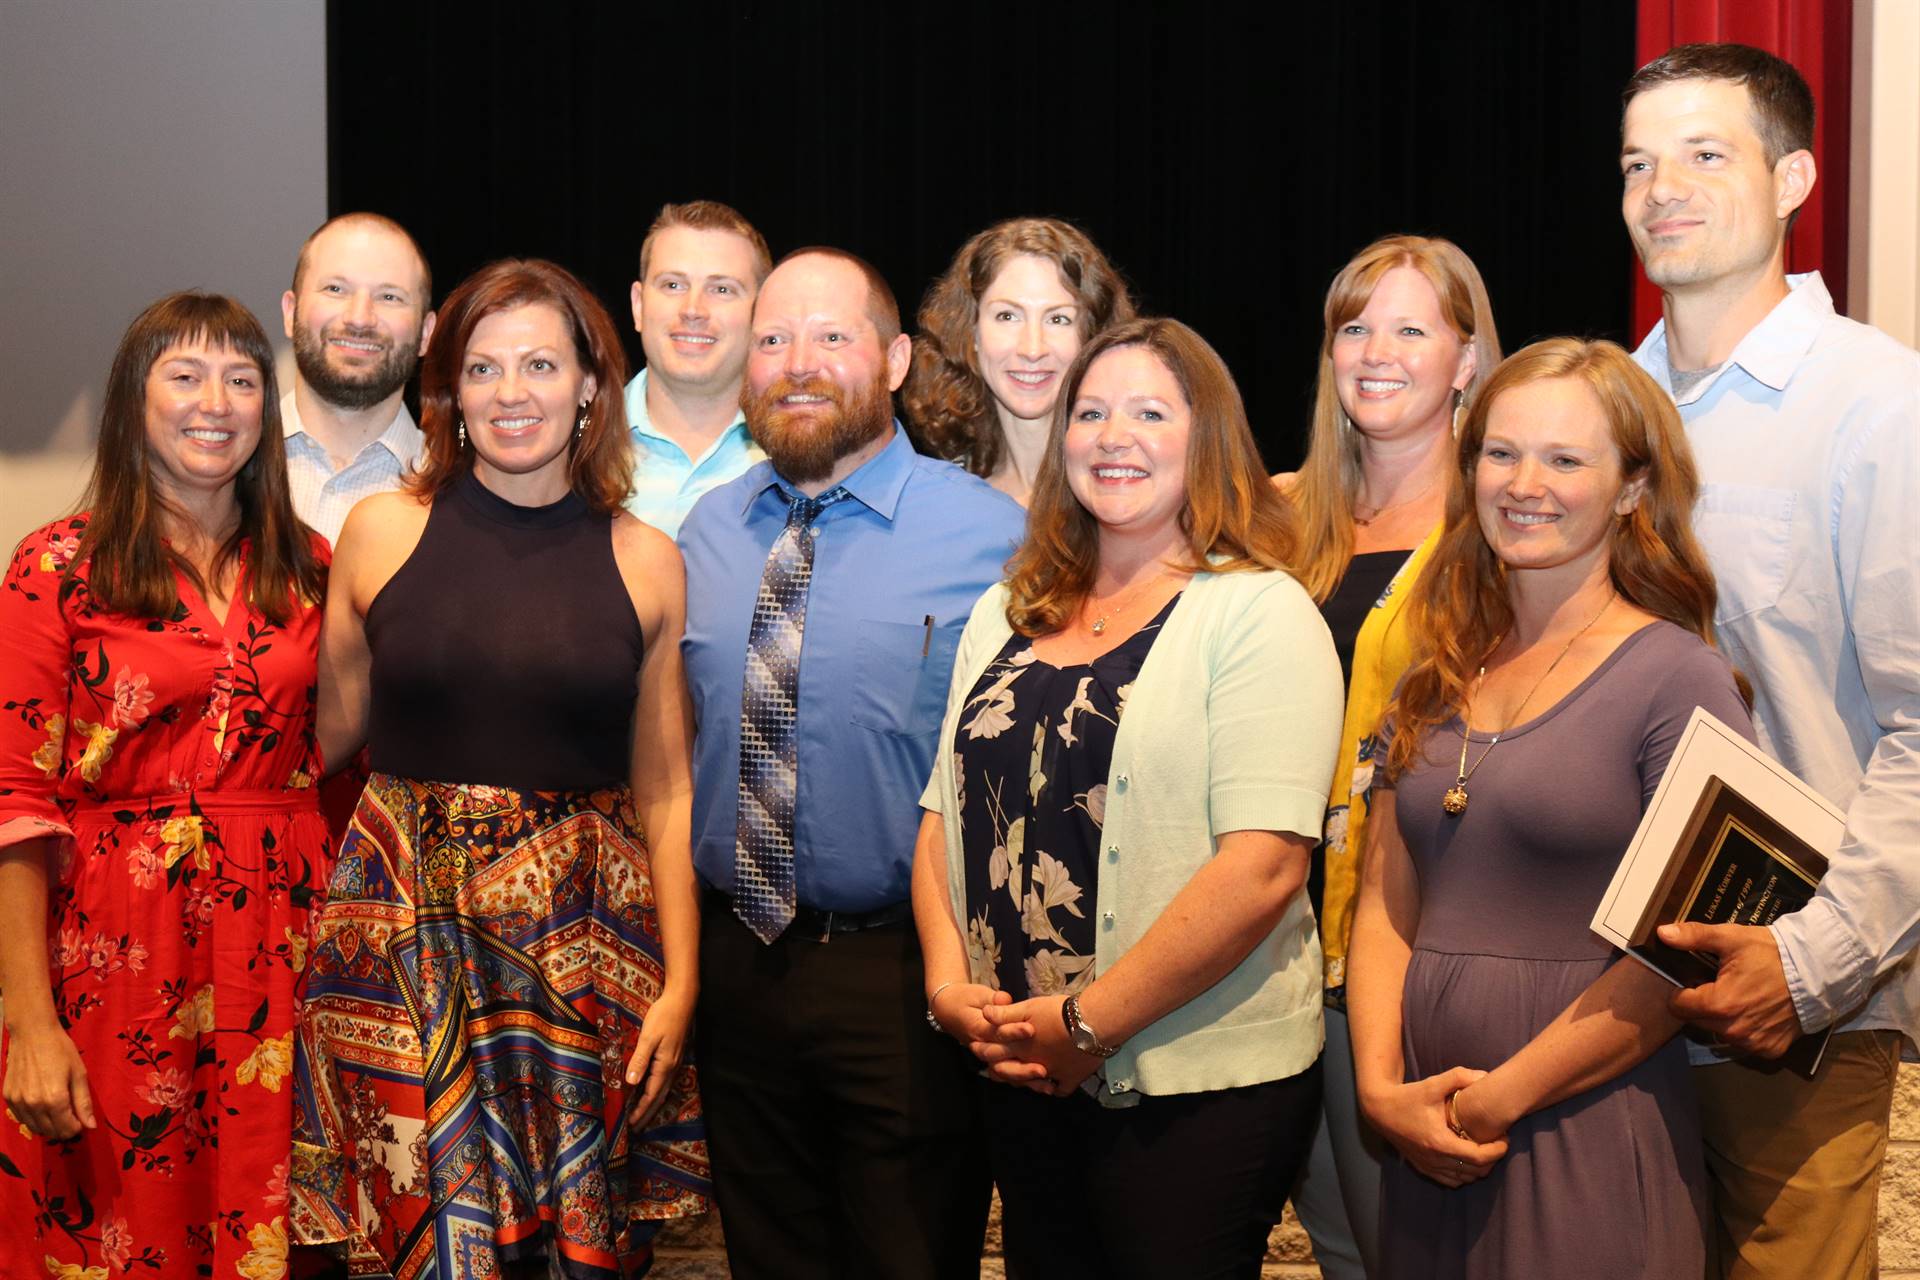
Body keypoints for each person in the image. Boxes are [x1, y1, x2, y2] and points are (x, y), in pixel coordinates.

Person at [287, 259, 709, 1277]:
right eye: (482, 367)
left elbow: (665, 787)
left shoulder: (647, 555)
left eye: (539, 364)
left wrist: (683, 980)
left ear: (591, 389)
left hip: (583, 962)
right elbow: (318, 740)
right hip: (401, 960)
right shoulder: (381, 531)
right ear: (449, 391)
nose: (510, 391)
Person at [915, 316, 1345, 1279]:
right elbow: (943, 816)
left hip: (1192, 1088)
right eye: (1093, 412)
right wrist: (951, 994)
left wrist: (1088, 1023)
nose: (1114, 436)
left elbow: (1265, 865)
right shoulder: (1007, 607)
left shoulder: (1259, 613)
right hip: (1022, 1069)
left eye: (1151, 412)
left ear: (1209, 441)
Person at [1347, 338, 1752, 1279]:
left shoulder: (1680, 681)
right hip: (1423, 1136)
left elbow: (1676, 954)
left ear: (1630, 490)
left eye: (1566, 459)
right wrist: (1379, 1088)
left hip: (1583, 1132)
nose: (1525, 483)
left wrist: (1494, 1103)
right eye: (1501, 452)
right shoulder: (1433, 673)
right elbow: (1384, 904)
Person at [1621, 42, 1920, 1279]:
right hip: (1599, 992)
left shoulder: (1880, 405)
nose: (1660, 189)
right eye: (1637, 162)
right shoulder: (1605, 404)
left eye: (1703, 153)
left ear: (1795, 176)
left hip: (1786, 999)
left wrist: (1811, 964)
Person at [678, 247, 1024, 1279]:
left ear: (896, 359)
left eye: (832, 336)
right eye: (774, 339)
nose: (798, 363)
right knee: (767, 1253)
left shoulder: (995, 537)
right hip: (740, 960)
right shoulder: (705, 531)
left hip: (908, 969)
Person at [0, 293, 330, 1278]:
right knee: (117, 1233)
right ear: (132, 402)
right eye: (183, 375)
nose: (214, 401)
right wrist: (30, 1020)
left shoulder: (311, 565)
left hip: (286, 951)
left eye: (241, 378)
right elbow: (15, 800)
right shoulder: (57, 564)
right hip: (115, 954)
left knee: (282, 1228)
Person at [1274, 233, 1501, 1280]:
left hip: (1421, 952)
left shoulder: (1503, 525)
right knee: (1335, 1246)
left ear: (1465, 359)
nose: (1376, 350)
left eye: (1412, 327)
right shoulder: (1272, 521)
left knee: (1419, 1254)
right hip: (1265, 955)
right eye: (1354, 327)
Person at [903, 216, 1135, 505]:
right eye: (1007, 316)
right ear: (970, 332)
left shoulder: (1126, 489)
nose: (1032, 348)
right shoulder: (942, 500)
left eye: (1058, 319)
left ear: (1090, 337)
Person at [279, 211, 437, 547]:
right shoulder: (219, 470)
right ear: (290, 313)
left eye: (389, 297)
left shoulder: (458, 492)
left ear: (426, 333)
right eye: (335, 289)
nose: (359, 318)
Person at [623, 199, 772, 537]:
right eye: (673, 285)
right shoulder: (574, 449)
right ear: (638, 305)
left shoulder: (800, 457)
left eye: (721, 289)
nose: (693, 310)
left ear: (762, 313)